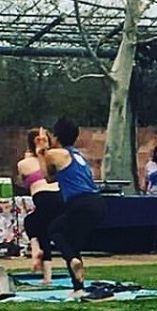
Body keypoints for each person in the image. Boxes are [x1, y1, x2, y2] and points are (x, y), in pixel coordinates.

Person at [34, 118, 106, 297]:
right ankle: (78, 287)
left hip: (80, 201)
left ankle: (73, 261)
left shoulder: (57, 153)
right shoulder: (78, 155)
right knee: (72, 243)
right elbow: (55, 177)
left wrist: (41, 150)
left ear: (55, 136)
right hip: (96, 202)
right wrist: (44, 151)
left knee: (54, 229)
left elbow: (46, 176)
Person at [17, 129, 65, 284]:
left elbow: (24, 182)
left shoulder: (24, 163)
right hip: (59, 198)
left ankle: (35, 249)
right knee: (43, 231)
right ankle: (47, 277)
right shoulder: (56, 158)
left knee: (30, 223)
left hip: (43, 197)